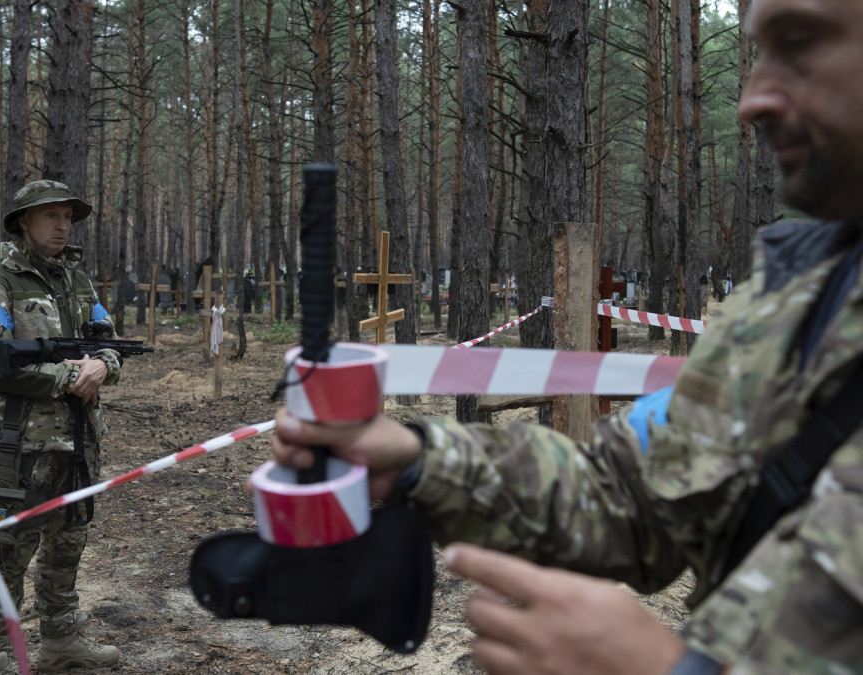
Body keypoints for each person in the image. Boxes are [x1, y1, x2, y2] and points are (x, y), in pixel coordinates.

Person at [272, 0, 863, 671]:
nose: (751, 99)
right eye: (757, 53)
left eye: (801, 42)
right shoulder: (796, 300)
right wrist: (418, 458)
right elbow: (631, 498)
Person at [0, 180, 121, 673]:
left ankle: (61, 641)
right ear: (23, 224)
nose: (62, 225)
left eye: (67, 217)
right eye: (50, 216)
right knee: (7, 549)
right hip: (21, 445)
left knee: (67, 544)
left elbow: (109, 342)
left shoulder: (78, 281)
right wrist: (69, 376)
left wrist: (103, 366)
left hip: (79, 439)